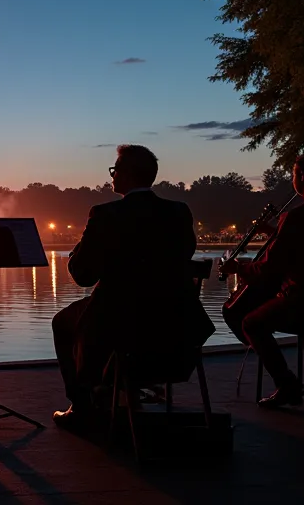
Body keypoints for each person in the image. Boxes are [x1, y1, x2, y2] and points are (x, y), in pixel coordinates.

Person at [51, 145, 213, 428]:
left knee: (62, 322)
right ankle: (118, 387)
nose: (112, 177)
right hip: (175, 325)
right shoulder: (178, 212)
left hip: (125, 328)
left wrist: (79, 247)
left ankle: (82, 403)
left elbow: (83, 276)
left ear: (125, 175)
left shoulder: (105, 215)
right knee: (112, 315)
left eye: (114, 171)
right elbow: (182, 256)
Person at [219, 154, 304, 408]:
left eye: (293, 173)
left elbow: (271, 268)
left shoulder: (295, 217)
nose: (292, 178)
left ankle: (287, 384)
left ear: (302, 176)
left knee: (251, 323)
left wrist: (237, 267)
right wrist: (275, 232)